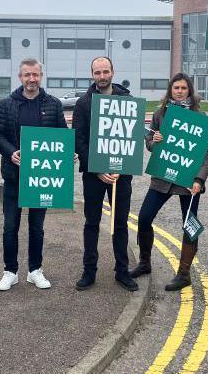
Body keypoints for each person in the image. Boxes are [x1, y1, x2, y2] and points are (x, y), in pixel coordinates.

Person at [130, 73, 208, 291]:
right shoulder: (161, 113)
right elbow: (150, 142)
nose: (179, 91)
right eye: (176, 87)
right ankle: (145, 262)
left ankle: (184, 273)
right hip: (163, 176)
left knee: (190, 226)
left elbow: (206, 153)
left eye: (183, 88)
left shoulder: (199, 115)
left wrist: (199, 180)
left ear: (189, 91)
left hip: (188, 180)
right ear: (170, 90)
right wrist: (153, 141)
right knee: (145, 217)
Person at [0, 58, 68, 291]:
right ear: (20, 77)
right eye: (27, 75)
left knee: (37, 227)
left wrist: (67, 154)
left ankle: (35, 270)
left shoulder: (53, 104)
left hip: (41, 178)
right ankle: (10, 271)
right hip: (14, 176)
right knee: (10, 226)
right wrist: (11, 152)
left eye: (35, 75)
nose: (31, 79)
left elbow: (62, 135)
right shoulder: (7, 104)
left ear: (41, 76)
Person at [72, 56, 138, 292]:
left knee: (120, 223)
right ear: (92, 75)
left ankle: (122, 271)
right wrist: (98, 169)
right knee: (92, 223)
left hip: (121, 175)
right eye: (97, 72)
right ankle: (89, 271)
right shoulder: (83, 103)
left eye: (105, 71)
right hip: (93, 175)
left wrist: (121, 167)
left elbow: (132, 136)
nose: (102, 76)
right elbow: (78, 141)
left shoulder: (127, 100)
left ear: (113, 71)